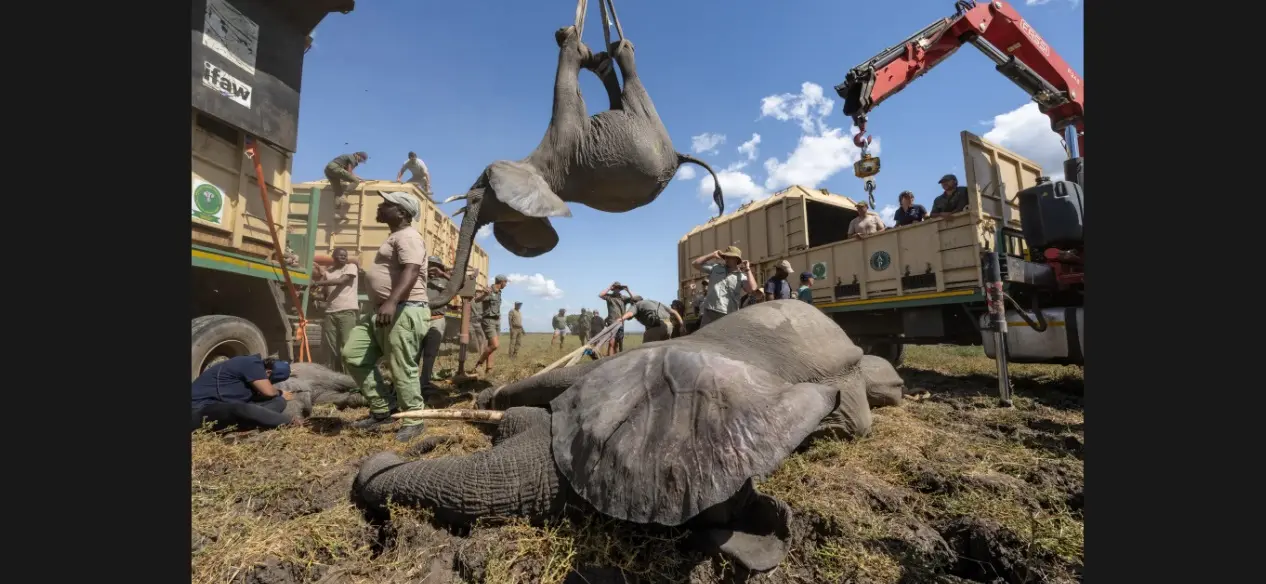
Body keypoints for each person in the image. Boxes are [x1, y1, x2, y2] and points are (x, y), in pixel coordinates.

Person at [342, 190, 432, 442]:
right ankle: (383, 409)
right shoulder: (395, 237)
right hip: (382, 310)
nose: (380, 207)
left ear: (402, 212)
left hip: (404, 309)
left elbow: (412, 269)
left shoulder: (409, 236)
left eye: (387, 204)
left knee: (402, 366)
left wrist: (392, 301)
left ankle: (414, 420)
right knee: (354, 355)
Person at [191, 355, 298, 432]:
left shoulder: (248, 378)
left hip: (219, 411)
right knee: (243, 409)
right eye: (270, 381)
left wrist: (280, 398)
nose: (270, 384)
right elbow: (269, 392)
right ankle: (290, 422)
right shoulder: (252, 363)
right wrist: (279, 392)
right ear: (268, 372)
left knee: (279, 402)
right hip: (198, 409)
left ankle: (250, 423)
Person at [309, 248, 359, 372]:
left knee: (346, 346)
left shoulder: (351, 267)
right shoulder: (328, 272)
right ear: (334, 257)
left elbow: (342, 281)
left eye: (345, 255)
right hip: (330, 313)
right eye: (340, 255)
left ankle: (349, 376)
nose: (344, 257)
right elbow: (324, 295)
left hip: (346, 311)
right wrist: (313, 296)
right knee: (332, 347)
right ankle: (337, 373)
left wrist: (317, 283)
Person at [691, 246, 757, 328]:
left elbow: (752, 289)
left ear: (736, 259)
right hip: (710, 311)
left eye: (730, 257)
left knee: (725, 340)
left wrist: (748, 269)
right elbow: (695, 264)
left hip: (728, 314)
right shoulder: (715, 268)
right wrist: (712, 255)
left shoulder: (741, 276)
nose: (727, 259)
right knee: (704, 339)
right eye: (726, 256)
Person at [420, 256, 452, 391]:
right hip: (419, 319)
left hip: (437, 319)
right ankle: (409, 383)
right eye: (430, 265)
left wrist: (443, 274)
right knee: (413, 353)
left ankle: (424, 383)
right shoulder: (419, 278)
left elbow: (463, 286)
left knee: (430, 354)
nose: (432, 268)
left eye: (435, 266)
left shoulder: (445, 281)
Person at [471, 275, 509, 375]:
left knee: (491, 345)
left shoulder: (499, 292)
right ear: (501, 282)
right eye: (506, 282)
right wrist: (484, 294)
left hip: (496, 321)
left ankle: (489, 369)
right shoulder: (489, 290)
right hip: (488, 321)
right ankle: (478, 364)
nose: (506, 284)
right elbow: (477, 299)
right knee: (495, 345)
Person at [324, 151, 368, 219]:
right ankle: (344, 196)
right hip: (335, 168)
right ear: (358, 156)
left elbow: (347, 173)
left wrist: (359, 177)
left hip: (328, 170)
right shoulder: (353, 158)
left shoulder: (348, 157)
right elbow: (349, 172)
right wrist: (357, 179)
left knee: (338, 192)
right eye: (361, 160)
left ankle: (336, 213)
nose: (360, 162)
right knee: (355, 181)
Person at [599, 282, 634, 355]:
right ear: (613, 289)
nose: (617, 289)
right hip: (612, 323)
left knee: (619, 343)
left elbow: (633, 300)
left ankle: (618, 359)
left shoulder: (623, 298)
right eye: (615, 288)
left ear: (620, 289)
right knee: (611, 343)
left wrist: (628, 291)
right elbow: (600, 295)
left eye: (618, 288)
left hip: (621, 323)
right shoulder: (609, 297)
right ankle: (609, 360)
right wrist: (609, 288)